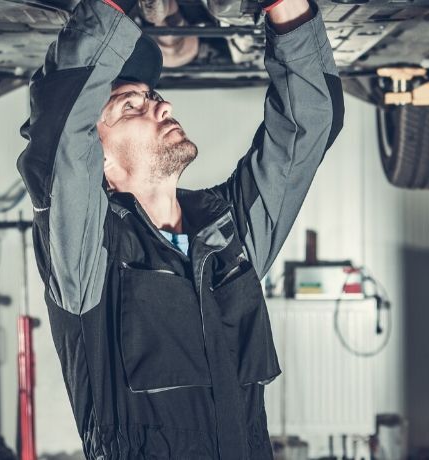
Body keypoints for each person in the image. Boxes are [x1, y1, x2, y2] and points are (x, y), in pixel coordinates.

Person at [17, 0, 342, 455]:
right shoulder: (91, 260)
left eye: (153, 97)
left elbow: (308, 126)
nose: (161, 105)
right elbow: (59, 132)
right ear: (99, 159)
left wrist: (285, 7)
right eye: (132, 106)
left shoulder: (227, 235)